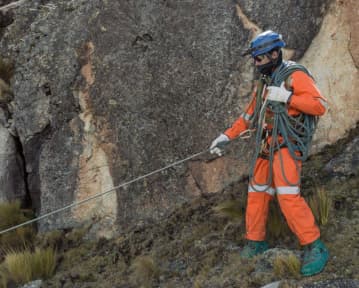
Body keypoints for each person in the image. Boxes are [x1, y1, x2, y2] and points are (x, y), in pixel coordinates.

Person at [209, 30, 329, 276]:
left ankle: (314, 245)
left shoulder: (294, 76)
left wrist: (288, 97)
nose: (256, 63)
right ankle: (256, 241)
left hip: (286, 146)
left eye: (260, 58)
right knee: (257, 192)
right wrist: (226, 136)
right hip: (266, 144)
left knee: (287, 196)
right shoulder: (265, 81)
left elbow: (319, 106)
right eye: (255, 58)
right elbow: (250, 114)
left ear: (275, 54)